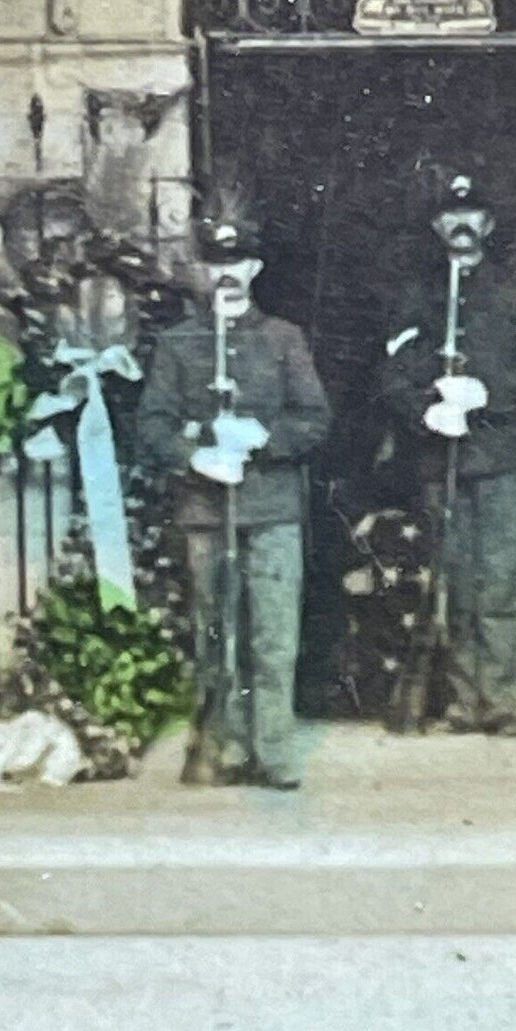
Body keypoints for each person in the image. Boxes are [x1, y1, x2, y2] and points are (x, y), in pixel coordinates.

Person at [137, 197, 331, 789]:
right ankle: (221, 746)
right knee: (215, 632)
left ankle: (272, 752)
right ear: (202, 270)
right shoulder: (178, 344)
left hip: (270, 509)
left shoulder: (282, 339)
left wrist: (264, 439)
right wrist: (193, 453)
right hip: (205, 509)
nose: (226, 273)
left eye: (238, 261)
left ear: (254, 270)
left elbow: (315, 419)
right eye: (215, 262)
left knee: (273, 636)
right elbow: (152, 424)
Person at [382, 171, 516, 735]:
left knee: (500, 582)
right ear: (439, 227)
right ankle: (462, 701)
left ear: (487, 225)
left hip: (501, 459)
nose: (461, 226)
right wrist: (425, 410)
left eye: (472, 216)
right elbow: (392, 376)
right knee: (454, 579)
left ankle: (503, 702)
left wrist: (488, 394)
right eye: (451, 217)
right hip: (442, 460)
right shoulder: (418, 301)